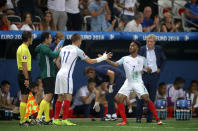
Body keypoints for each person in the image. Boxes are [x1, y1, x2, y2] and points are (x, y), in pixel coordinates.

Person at [53, 33, 111, 125]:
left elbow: (56, 61)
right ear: (79, 40)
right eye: (81, 41)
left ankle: (55, 119)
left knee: (60, 97)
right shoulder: (78, 50)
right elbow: (91, 61)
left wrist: (62, 70)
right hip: (66, 75)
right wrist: (104, 57)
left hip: (60, 74)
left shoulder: (63, 48)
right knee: (68, 96)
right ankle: (64, 119)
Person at [105, 40, 163, 125]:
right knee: (119, 99)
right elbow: (115, 64)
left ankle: (158, 119)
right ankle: (124, 121)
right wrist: (106, 59)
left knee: (146, 98)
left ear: (137, 48)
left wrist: (149, 70)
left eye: (132, 46)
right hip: (128, 82)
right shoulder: (125, 58)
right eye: (130, 46)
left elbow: (149, 70)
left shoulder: (142, 59)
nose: (130, 47)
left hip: (138, 82)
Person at [136, 34, 166, 123]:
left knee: (151, 98)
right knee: (141, 97)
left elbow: (164, 59)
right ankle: (138, 118)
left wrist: (160, 69)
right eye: (148, 41)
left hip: (154, 76)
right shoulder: (142, 49)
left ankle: (149, 118)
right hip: (144, 75)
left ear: (154, 42)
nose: (149, 43)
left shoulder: (158, 49)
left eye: (151, 41)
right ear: (146, 42)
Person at [35, 32, 60, 124]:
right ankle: (38, 117)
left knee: (48, 96)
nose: (51, 40)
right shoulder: (44, 48)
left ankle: (47, 118)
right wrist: (60, 50)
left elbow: (36, 48)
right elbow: (54, 55)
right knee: (49, 96)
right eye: (50, 38)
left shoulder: (41, 47)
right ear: (45, 39)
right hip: (48, 74)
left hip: (47, 74)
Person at [16, 31, 33, 126]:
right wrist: (26, 78)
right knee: (24, 97)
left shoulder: (23, 48)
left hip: (24, 74)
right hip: (24, 74)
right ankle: (22, 121)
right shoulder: (24, 49)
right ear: (29, 38)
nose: (32, 39)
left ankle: (26, 119)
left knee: (26, 97)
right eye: (31, 37)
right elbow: (24, 64)